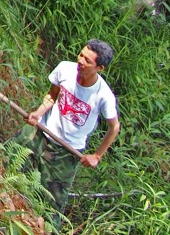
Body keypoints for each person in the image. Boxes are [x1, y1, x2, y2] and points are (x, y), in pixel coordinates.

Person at [23, 40, 121, 221]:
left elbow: (114, 127)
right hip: (42, 131)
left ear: (100, 68)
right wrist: (38, 113)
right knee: (9, 159)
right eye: (81, 55)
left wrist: (97, 156)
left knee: (52, 206)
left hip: (67, 152)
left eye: (87, 61)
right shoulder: (65, 69)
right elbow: (52, 95)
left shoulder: (103, 96)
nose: (81, 61)